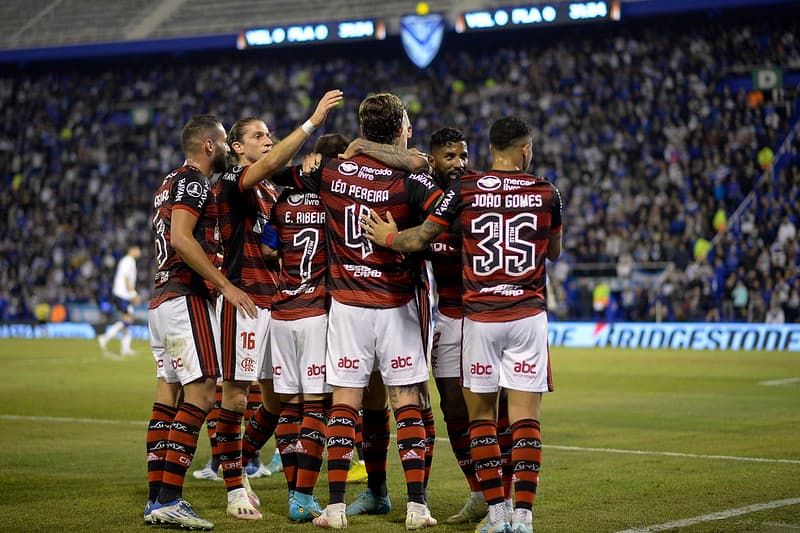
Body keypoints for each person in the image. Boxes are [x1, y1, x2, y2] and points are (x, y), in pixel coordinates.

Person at [360, 116, 563, 533]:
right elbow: (552, 250)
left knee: (488, 415)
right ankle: (500, 504)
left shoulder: (465, 193)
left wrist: (390, 238)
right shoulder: (544, 191)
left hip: (478, 315)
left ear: (483, 151)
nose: (457, 162)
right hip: (483, 314)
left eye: (463, 155)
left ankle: (501, 505)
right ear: (526, 148)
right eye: (449, 156)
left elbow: (417, 239)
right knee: (476, 412)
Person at [269, 93, 440, 530]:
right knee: (406, 403)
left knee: (345, 404)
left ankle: (336, 507)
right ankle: (417, 507)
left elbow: (275, 171)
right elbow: (446, 215)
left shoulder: (329, 172)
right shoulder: (410, 182)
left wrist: (326, 141)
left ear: (363, 129)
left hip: (346, 306)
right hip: (397, 303)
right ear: (399, 126)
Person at [205, 89, 344, 522]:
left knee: (278, 402)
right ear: (236, 146)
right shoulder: (232, 183)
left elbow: (289, 175)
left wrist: (319, 161)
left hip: (278, 304)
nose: (267, 140)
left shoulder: (270, 189)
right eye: (259, 135)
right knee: (235, 398)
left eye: (269, 135)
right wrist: (311, 123)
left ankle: (239, 463)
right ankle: (234, 488)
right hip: (244, 301)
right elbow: (270, 164)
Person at [144, 114, 258, 531]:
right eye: (226, 142)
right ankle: (171, 498)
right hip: (184, 298)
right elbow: (181, 238)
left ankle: (157, 498)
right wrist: (225, 285)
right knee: (204, 390)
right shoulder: (193, 181)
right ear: (209, 146)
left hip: (161, 300)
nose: (229, 148)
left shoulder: (166, 184)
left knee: (168, 397)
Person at [98, 245, 142, 356]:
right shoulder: (129, 261)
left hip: (122, 294)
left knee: (128, 320)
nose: (139, 252)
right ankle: (104, 337)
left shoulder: (126, 261)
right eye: (137, 249)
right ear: (132, 250)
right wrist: (134, 294)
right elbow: (127, 278)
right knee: (127, 320)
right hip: (122, 294)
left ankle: (125, 348)